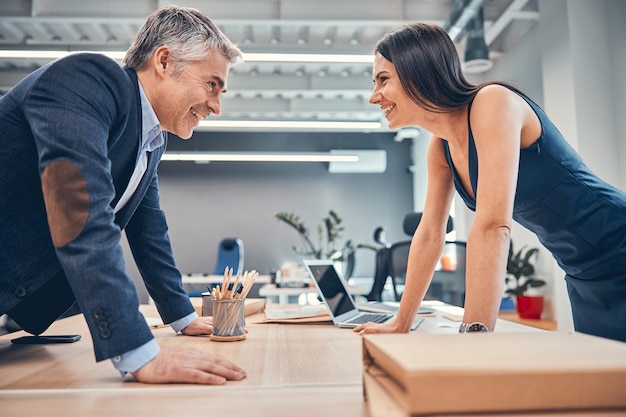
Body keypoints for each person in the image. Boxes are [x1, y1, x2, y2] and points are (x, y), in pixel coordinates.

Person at [0, 5, 248, 384]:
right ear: (164, 61)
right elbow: (79, 210)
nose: (216, 105)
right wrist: (138, 353)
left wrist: (181, 315)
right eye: (212, 84)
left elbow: (149, 231)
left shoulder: (151, 138)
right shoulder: (87, 80)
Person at [354, 23, 626, 342]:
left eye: (383, 79)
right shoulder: (440, 146)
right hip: (582, 271)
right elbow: (429, 234)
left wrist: (475, 335)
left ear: (419, 71)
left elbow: (493, 225)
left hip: (618, 244)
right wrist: (401, 321)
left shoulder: (492, 102)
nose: (374, 97)